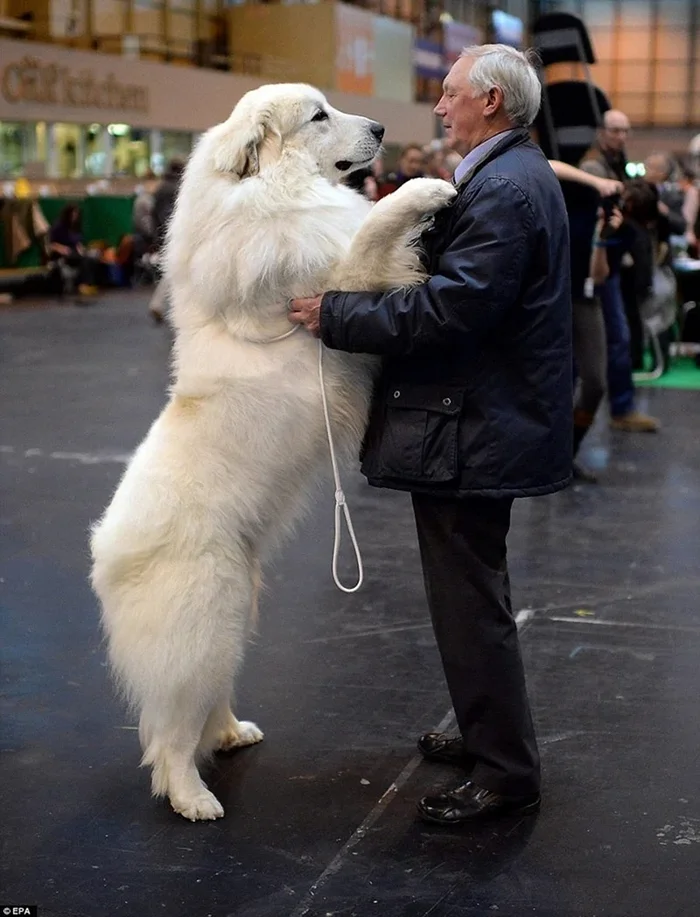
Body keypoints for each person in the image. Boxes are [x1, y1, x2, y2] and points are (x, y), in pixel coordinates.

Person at [290, 44, 572, 825]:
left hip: (475, 427)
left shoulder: (505, 190)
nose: (439, 108)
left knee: (469, 602)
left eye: (448, 94)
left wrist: (335, 315)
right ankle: (488, 732)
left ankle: (506, 772)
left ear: (489, 100)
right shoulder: (510, 177)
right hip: (481, 421)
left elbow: (451, 309)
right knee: (474, 594)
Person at [581, 111, 660, 432]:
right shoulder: (592, 167)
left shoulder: (617, 163)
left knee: (617, 337)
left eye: (626, 131)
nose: (621, 137)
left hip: (609, 261)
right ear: (602, 131)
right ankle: (616, 408)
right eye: (616, 130)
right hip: (592, 262)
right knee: (608, 340)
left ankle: (620, 407)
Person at [148, 158, 185, 322]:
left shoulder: (160, 188)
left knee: (174, 270)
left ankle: (160, 304)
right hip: (176, 233)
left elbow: (154, 214)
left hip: (162, 234)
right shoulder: (178, 188)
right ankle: (159, 304)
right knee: (175, 270)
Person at [48, 204, 100, 296]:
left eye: (76, 213)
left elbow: (77, 242)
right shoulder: (59, 226)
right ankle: (83, 284)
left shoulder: (76, 227)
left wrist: (81, 249)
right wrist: (63, 249)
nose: (75, 215)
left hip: (74, 252)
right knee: (84, 260)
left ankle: (88, 283)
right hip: (62, 254)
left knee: (91, 258)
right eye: (73, 213)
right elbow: (52, 244)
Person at [643, 152, 687, 237]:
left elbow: (681, 226)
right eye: (646, 167)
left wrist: (665, 211)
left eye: (651, 167)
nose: (646, 171)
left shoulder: (673, 195)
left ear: (663, 172)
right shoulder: (639, 190)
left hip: (661, 241)